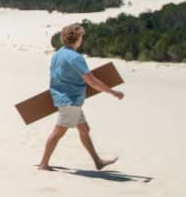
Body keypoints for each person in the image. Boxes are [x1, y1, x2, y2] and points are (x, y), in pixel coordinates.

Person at [37, 23, 123, 171]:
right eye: (82, 36)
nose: (82, 39)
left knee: (84, 129)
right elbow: (91, 81)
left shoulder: (57, 54)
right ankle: (44, 164)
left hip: (63, 98)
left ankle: (98, 161)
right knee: (58, 132)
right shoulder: (76, 58)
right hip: (70, 101)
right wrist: (112, 92)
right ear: (77, 38)